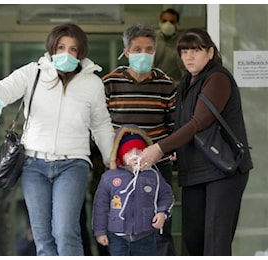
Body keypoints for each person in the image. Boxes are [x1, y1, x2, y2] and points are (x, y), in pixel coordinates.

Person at [0, 23, 115, 256]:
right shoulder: (33, 73)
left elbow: (101, 124)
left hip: (73, 164)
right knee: (42, 236)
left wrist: (111, 159)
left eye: (73, 49)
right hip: (34, 165)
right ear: (52, 48)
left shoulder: (92, 83)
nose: (66, 53)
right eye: (61, 47)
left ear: (81, 52)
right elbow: (5, 89)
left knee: (65, 232)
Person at [140, 28, 254, 256]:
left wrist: (160, 147)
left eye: (196, 50)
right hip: (195, 170)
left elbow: (198, 122)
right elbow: (183, 125)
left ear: (210, 52)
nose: (189, 56)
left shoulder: (218, 78)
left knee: (215, 243)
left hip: (223, 170)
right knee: (193, 240)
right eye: (184, 51)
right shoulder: (186, 83)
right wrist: (175, 151)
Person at [102, 22, 177, 256]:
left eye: (148, 49)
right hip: (120, 169)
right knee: (119, 224)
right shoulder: (110, 83)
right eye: (137, 49)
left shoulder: (166, 84)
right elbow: (100, 125)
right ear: (126, 53)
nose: (143, 54)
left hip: (156, 167)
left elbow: (174, 125)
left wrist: (169, 150)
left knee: (159, 225)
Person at [92, 124, 174, 256]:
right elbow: (100, 206)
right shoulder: (109, 178)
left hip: (146, 234)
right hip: (117, 236)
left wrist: (162, 213)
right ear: (121, 155)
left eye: (139, 151)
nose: (135, 155)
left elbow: (166, 195)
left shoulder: (153, 175)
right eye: (129, 151)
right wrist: (100, 231)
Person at [154, 8, 184, 84]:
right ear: (159, 22)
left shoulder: (182, 42)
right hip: (154, 83)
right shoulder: (152, 39)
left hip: (175, 83)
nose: (168, 24)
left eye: (172, 22)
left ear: (177, 23)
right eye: (164, 21)